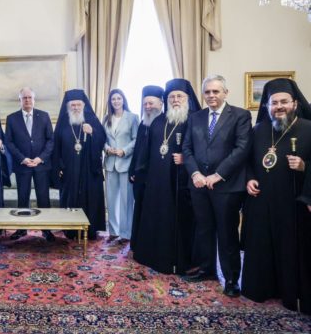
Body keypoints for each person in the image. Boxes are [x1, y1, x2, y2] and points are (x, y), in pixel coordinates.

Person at [242, 78, 311, 314]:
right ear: (267, 106)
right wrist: (249, 178)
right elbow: (247, 161)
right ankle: (261, 289)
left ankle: (290, 293)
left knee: (290, 248)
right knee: (261, 245)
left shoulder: (308, 128)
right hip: (261, 201)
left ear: (295, 104)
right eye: (274, 103)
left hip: (292, 203)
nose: (279, 106)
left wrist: (304, 166)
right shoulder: (259, 130)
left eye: (284, 102)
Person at [182, 75, 252, 297]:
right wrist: (195, 173)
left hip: (227, 186)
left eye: (216, 91)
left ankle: (231, 279)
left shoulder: (240, 115)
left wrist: (218, 175)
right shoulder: (195, 117)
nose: (211, 95)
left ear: (225, 93)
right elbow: (187, 148)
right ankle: (207, 270)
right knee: (204, 229)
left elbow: (242, 149)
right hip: (199, 184)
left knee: (227, 232)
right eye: (207, 92)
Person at [133, 78, 201, 275]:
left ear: (187, 98)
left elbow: (204, 149)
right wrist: (141, 174)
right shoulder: (158, 121)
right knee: (157, 215)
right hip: (156, 180)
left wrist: (187, 159)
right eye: (172, 97)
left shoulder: (195, 119)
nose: (175, 100)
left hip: (181, 181)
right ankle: (152, 255)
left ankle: (179, 259)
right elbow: (146, 151)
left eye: (179, 96)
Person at [51, 89, 106, 240]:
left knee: (89, 197)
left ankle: (90, 230)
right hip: (68, 168)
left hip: (88, 168)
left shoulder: (91, 120)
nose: (76, 107)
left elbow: (102, 139)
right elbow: (56, 147)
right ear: (68, 106)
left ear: (84, 105)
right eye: (73, 105)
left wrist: (92, 132)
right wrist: (59, 166)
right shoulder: (63, 123)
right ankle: (70, 230)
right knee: (70, 198)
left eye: (78, 105)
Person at [5, 87, 55, 242]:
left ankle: (46, 230)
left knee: (43, 199)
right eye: (24, 98)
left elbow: (50, 140)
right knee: (22, 198)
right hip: (23, 166)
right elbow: (9, 142)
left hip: (41, 165)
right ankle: (21, 229)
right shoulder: (11, 118)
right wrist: (23, 158)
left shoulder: (44, 116)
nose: (27, 100)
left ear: (34, 99)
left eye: (29, 97)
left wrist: (40, 158)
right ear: (20, 100)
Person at [128, 85, 163, 252]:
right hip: (140, 176)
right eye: (145, 104)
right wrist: (132, 171)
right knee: (139, 208)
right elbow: (137, 150)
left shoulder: (165, 123)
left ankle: (149, 246)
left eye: (151, 103)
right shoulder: (143, 123)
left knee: (151, 211)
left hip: (156, 176)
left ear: (161, 103)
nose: (148, 107)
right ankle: (137, 243)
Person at [103, 88, 139, 245]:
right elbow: (102, 139)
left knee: (126, 200)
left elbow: (136, 139)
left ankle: (126, 233)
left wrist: (124, 151)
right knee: (111, 200)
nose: (116, 101)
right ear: (110, 102)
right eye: (113, 99)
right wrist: (107, 149)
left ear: (123, 100)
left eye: (118, 98)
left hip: (126, 163)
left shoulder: (132, 118)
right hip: (110, 164)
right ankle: (113, 231)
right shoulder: (106, 118)